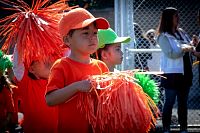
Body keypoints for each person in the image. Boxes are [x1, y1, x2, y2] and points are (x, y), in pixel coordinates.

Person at [45, 8, 110, 133]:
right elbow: (50, 100)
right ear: (67, 40)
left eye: (95, 33)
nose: (92, 38)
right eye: (85, 33)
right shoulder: (61, 66)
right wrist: (76, 87)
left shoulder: (101, 66)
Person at [156, 7, 194, 133]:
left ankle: (184, 128)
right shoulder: (162, 36)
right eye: (175, 16)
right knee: (169, 102)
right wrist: (185, 48)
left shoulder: (181, 32)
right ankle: (166, 128)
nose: (178, 18)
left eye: (178, 15)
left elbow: (191, 46)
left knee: (183, 104)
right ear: (168, 18)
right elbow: (172, 54)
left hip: (186, 72)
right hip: (172, 74)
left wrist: (192, 44)